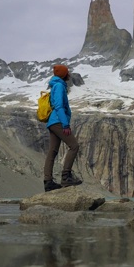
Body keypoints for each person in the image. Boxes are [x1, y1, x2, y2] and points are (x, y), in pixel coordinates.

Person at [43, 64, 82, 192]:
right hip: (59, 121)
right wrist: (65, 125)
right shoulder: (59, 86)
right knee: (74, 146)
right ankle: (66, 176)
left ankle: (48, 182)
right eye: (67, 72)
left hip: (52, 122)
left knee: (52, 151)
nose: (69, 74)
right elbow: (59, 106)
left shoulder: (55, 85)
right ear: (64, 74)